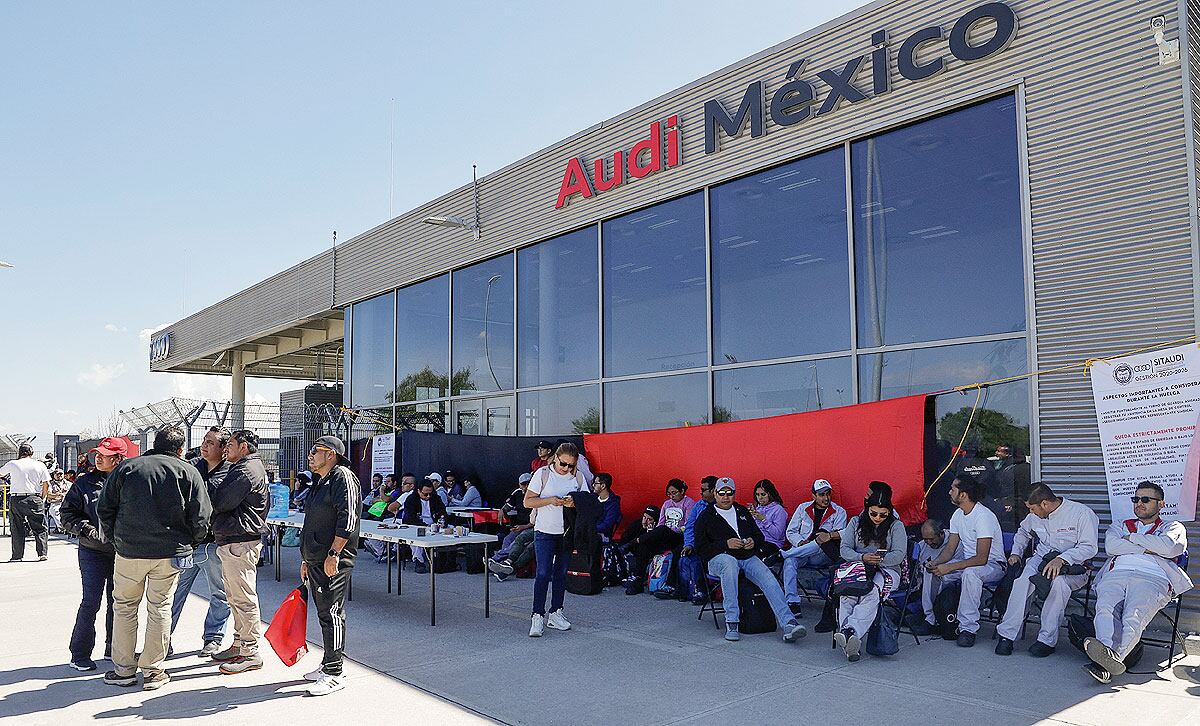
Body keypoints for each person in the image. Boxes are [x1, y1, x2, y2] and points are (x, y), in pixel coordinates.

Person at [97, 426, 211, 690]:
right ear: (180, 449)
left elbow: (105, 508)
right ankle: (153, 671)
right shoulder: (189, 472)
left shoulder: (127, 469)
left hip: (129, 552)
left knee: (124, 607)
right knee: (160, 608)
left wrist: (117, 539)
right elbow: (202, 516)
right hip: (168, 554)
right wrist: (189, 542)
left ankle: (124, 670)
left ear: (154, 443)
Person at [1083, 481, 1192, 683]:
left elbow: (1170, 548)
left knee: (1133, 616)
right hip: (1117, 574)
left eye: (1145, 499)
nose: (1139, 503)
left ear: (1161, 505)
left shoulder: (1173, 526)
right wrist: (1149, 547)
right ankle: (1109, 661)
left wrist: (1132, 538)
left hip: (1154, 577)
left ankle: (1105, 663)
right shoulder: (1120, 525)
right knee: (1105, 609)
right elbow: (1112, 547)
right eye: (1136, 499)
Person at [695, 477, 806, 643]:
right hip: (719, 559)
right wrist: (725, 544)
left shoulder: (741, 511)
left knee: (767, 575)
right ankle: (732, 622)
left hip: (745, 555)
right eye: (722, 493)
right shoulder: (705, 516)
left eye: (729, 493)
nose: (726, 497)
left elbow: (758, 536)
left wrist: (752, 542)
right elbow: (701, 548)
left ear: (734, 494)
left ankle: (789, 622)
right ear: (715, 494)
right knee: (729, 564)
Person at [995, 483, 1098, 657]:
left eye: (1032, 508)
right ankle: (1007, 635)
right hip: (1041, 560)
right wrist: (1016, 553)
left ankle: (1046, 640)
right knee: (1022, 582)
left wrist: (1063, 559)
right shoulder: (1034, 516)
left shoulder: (1082, 513)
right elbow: (1023, 533)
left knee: (1058, 585)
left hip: (1073, 567)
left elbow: (1089, 547)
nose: (1031, 512)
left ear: (1044, 504)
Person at [300, 435, 362, 696]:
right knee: (324, 614)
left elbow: (348, 518)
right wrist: (307, 558)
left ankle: (335, 672)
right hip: (316, 558)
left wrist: (334, 554)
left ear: (331, 454)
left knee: (332, 614)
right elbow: (313, 521)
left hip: (333, 559)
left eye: (316, 451)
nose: (311, 455)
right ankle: (328, 663)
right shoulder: (319, 481)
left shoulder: (342, 476)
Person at [61, 438, 126, 670]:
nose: (98, 457)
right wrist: (85, 529)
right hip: (92, 552)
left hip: (123, 554)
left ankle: (113, 647)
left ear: (118, 458)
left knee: (117, 603)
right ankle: (79, 653)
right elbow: (66, 513)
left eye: (105, 454)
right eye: (97, 453)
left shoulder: (129, 482)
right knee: (91, 602)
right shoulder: (84, 483)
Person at [208, 429, 269, 674]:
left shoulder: (245, 470)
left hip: (240, 541)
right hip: (236, 540)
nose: (226, 449)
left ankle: (251, 651)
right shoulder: (246, 467)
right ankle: (239, 643)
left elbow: (221, 501)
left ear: (244, 446)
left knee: (243, 598)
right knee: (234, 597)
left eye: (230, 444)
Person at [169, 426, 232, 658]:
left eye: (211, 443)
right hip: (187, 544)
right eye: (204, 441)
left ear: (224, 449)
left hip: (213, 544)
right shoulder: (193, 467)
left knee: (220, 593)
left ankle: (213, 638)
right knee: (174, 592)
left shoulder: (229, 474)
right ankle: (163, 640)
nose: (205, 446)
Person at [925, 473, 1006, 647]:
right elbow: (949, 550)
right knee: (932, 573)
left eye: (952, 488)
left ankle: (968, 629)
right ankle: (932, 619)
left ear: (963, 495)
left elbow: (981, 558)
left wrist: (950, 567)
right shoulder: (957, 515)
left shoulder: (983, 516)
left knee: (970, 574)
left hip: (993, 566)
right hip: (969, 563)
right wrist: (937, 563)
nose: (949, 492)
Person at [833, 490, 908, 661]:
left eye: (883, 515)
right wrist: (862, 557)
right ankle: (851, 644)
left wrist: (877, 560)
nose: (878, 518)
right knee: (848, 593)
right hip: (859, 566)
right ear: (867, 509)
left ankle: (849, 631)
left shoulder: (896, 526)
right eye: (873, 513)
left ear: (889, 512)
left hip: (887, 569)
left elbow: (898, 554)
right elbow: (844, 549)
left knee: (872, 591)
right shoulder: (855, 522)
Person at [524, 442, 586, 637]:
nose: (567, 468)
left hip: (566, 532)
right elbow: (528, 501)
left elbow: (586, 501)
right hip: (544, 531)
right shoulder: (542, 474)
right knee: (543, 573)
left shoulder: (577, 477)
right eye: (563, 464)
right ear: (555, 458)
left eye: (571, 465)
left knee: (561, 573)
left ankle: (556, 613)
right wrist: (550, 500)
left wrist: (573, 501)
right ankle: (537, 615)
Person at [781, 479, 847, 615]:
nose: (826, 498)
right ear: (814, 496)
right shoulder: (803, 508)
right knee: (789, 562)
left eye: (828, 494)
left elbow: (838, 537)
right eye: (822, 494)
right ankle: (792, 602)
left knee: (820, 541)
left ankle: (785, 554)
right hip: (802, 553)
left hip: (822, 555)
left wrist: (824, 538)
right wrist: (800, 543)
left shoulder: (839, 511)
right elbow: (791, 531)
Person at [624, 479, 694, 595]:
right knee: (645, 546)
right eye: (669, 493)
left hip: (679, 536)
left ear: (682, 491)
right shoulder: (666, 504)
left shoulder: (689, 504)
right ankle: (638, 580)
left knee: (663, 530)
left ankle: (634, 541)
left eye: (674, 492)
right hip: (664, 535)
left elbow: (688, 526)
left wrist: (670, 529)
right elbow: (661, 523)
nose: (671, 496)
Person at [2, 443, 51, 561]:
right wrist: (42, 498)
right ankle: (42, 554)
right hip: (34, 498)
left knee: (16, 528)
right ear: (32, 453)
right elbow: (46, 483)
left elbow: (1, 473)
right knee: (40, 527)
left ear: (20, 453)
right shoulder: (40, 465)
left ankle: (17, 556)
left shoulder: (13, 463)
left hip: (16, 498)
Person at [912, 518, 958, 636]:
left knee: (932, 574)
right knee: (929, 574)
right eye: (925, 539)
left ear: (941, 533)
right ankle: (926, 614)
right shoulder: (923, 545)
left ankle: (930, 620)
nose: (928, 542)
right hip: (930, 580)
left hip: (956, 575)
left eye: (931, 539)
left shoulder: (955, 540)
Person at [679, 476, 717, 604]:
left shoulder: (722, 507)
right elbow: (689, 527)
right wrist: (689, 544)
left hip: (715, 547)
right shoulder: (698, 506)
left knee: (697, 561)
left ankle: (702, 592)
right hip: (698, 544)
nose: (700, 492)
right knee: (681, 555)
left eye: (704, 490)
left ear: (713, 491)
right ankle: (684, 591)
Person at [402, 479, 448, 574]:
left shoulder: (436, 498)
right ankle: (419, 561)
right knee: (417, 536)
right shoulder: (411, 499)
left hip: (433, 523)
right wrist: (425, 526)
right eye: (425, 494)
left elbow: (443, 512)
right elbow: (410, 518)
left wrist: (442, 521)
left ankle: (442, 561)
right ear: (418, 491)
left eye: (430, 494)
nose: (428, 496)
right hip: (416, 524)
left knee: (450, 529)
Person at [749, 479, 788, 553]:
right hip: (757, 541)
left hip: (773, 544)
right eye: (757, 494)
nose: (760, 497)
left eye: (763, 494)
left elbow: (778, 535)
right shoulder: (758, 508)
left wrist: (764, 520)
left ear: (770, 494)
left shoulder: (779, 510)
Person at [592, 472, 621, 541]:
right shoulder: (592, 498)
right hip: (589, 531)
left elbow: (606, 525)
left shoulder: (613, 505)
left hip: (602, 535)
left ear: (603, 486)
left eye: (596, 483)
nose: (593, 485)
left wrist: (590, 528)